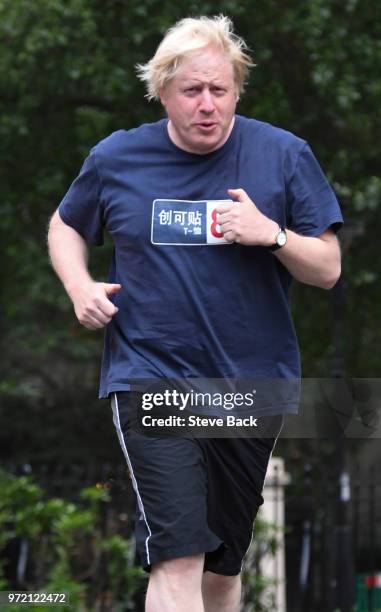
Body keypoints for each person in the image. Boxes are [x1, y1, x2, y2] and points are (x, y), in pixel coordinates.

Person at [48, 15, 343, 612]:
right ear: (163, 92)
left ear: (237, 89)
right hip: (150, 376)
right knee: (177, 553)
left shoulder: (283, 155)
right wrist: (80, 286)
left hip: (249, 385)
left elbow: (329, 268)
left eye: (220, 90)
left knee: (222, 569)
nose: (208, 105)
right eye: (192, 91)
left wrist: (273, 235)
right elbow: (65, 225)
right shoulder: (117, 158)